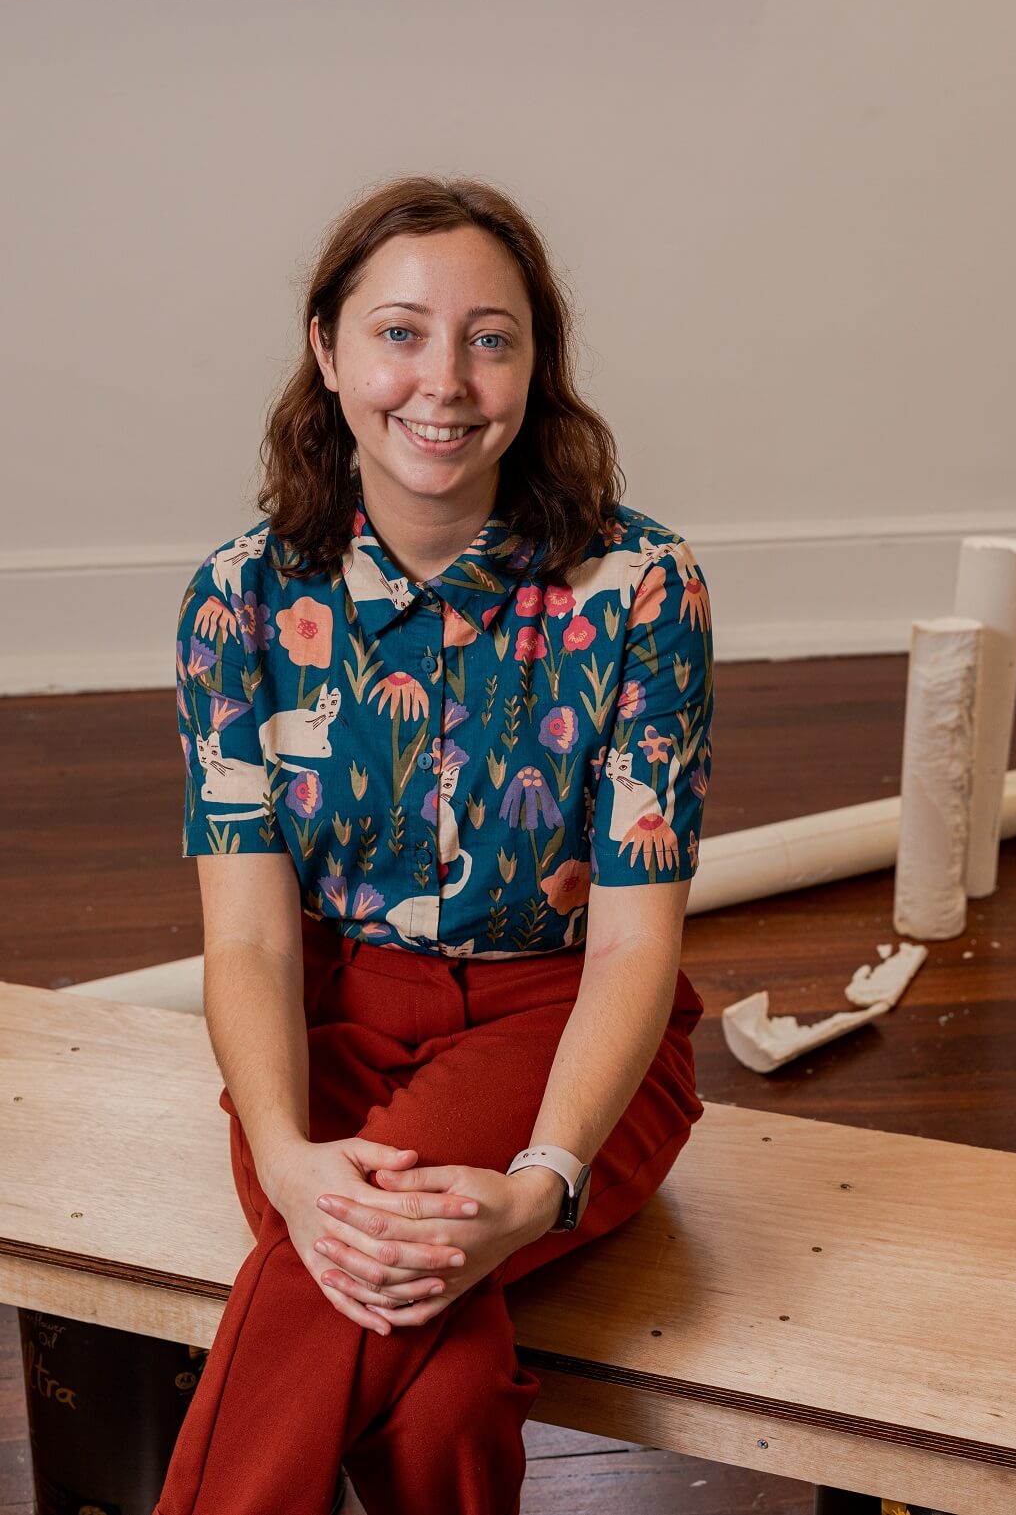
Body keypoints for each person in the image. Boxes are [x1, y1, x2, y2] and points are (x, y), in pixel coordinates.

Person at [159, 174, 715, 1515]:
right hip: (326, 1024)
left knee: (326, 1280)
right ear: (328, 349)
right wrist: (287, 1157)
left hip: (562, 1024)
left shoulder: (641, 589)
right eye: (401, 330)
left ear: (536, 363)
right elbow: (242, 932)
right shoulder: (236, 599)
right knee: (441, 1385)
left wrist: (544, 1181)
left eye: (491, 336)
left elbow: (637, 943)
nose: (445, 380)